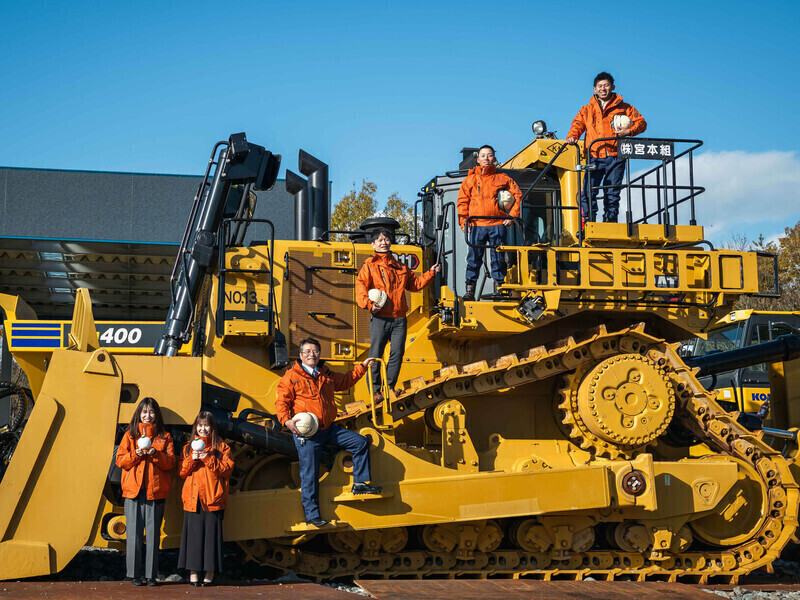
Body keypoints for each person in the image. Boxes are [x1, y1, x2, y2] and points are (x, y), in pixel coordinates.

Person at [275, 337, 381, 527]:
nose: (312, 355)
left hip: (328, 428)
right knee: (310, 475)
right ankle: (312, 516)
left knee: (360, 442)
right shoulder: (291, 376)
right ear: (301, 355)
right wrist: (286, 420)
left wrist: (363, 366)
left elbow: (345, 381)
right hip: (307, 434)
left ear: (319, 353)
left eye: (315, 351)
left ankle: (360, 484)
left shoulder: (325, 373)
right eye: (307, 351)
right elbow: (282, 401)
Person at [356, 228, 440, 401]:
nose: (383, 242)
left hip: (399, 319)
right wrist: (370, 305)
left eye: (386, 239)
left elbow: (415, 284)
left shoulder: (400, 267)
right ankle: (375, 391)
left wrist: (431, 272)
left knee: (397, 353)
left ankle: (389, 388)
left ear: (390, 242)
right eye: (380, 240)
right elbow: (361, 287)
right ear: (373, 244)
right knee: (375, 354)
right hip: (380, 318)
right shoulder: (369, 265)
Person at [566, 71, 647, 224]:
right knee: (588, 190)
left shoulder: (625, 108)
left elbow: (641, 123)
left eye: (606, 85)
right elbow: (577, 125)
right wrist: (572, 136)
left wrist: (629, 131)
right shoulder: (586, 110)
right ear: (594, 89)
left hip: (616, 156)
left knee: (612, 191)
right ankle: (589, 220)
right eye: (600, 86)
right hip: (594, 156)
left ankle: (610, 220)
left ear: (612, 87)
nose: (603, 89)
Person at [115, 397, 175, 587]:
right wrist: (136, 454)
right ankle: (134, 575)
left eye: (151, 412)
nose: (147, 415)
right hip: (133, 491)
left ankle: (151, 575)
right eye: (144, 411)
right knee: (133, 534)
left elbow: (170, 463)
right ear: (139, 414)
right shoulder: (130, 436)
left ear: (156, 415)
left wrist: (155, 454)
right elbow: (120, 461)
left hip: (155, 492)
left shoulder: (165, 437)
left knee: (153, 535)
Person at [456, 145, 523, 301]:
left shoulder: (503, 178)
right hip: (476, 225)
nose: (486, 158)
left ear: (494, 158)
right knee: (473, 259)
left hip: (497, 225)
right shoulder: (469, 180)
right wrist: (463, 222)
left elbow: (518, 195)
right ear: (478, 159)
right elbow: (462, 202)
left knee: (498, 258)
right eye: (483, 155)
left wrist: (512, 216)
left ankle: (500, 290)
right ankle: (470, 292)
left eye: (490, 155)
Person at [177, 411, 234, 587]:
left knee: (211, 538)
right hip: (193, 498)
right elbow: (181, 472)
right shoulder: (188, 448)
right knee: (193, 537)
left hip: (213, 497)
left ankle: (210, 572)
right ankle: (193, 572)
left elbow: (227, 470)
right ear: (195, 427)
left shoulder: (222, 447)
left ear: (212, 427)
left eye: (206, 425)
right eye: (200, 425)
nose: (203, 429)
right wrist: (192, 460)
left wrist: (208, 458)